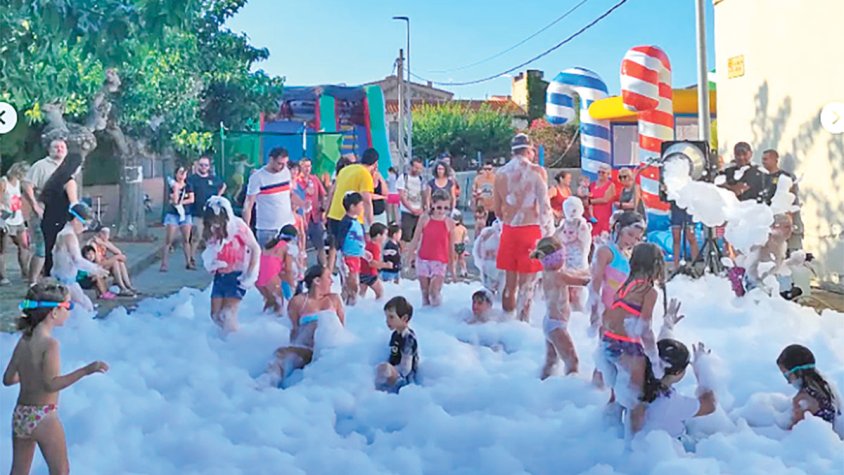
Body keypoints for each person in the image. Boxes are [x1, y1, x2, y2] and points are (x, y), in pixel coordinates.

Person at [2, 281, 109, 475]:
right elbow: (51, 384)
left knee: (18, 471)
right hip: (43, 415)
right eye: (68, 306)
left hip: (21, 415)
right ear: (54, 312)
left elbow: (8, 379)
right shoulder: (51, 344)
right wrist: (86, 370)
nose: (70, 312)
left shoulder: (24, 340)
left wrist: (31, 373)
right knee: (60, 471)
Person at [598, 242, 677, 435]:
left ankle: (605, 433)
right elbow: (644, 329)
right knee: (636, 401)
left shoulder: (626, 285)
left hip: (608, 343)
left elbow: (609, 316)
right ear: (656, 266)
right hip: (627, 348)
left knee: (617, 395)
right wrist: (655, 360)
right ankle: (633, 446)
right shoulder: (649, 292)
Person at [493, 133, 553, 322]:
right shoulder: (537, 171)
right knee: (527, 285)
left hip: (510, 230)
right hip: (531, 230)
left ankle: (505, 321)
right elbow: (545, 207)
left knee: (509, 283)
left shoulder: (500, 174)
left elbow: (497, 210)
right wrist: (549, 235)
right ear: (529, 150)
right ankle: (522, 327)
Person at [265, 264, 345, 387]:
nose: (332, 281)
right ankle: (267, 383)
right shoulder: (298, 302)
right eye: (328, 277)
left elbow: (341, 329)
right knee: (281, 354)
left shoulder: (334, 299)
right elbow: (295, 330)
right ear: (317, 281)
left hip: (329, 351)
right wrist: (292, 349)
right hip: (307, 351)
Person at [530, 237, 591, 378]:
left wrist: (589, 270)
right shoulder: (558, 276)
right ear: (554, 259)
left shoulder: (549, 273)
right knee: (572, 361)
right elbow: (582, 282)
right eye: (562, 256)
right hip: (557, 326)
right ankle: (570, 388)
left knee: (551, 361)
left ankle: (542, 384)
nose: (564, 259)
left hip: (550, 323)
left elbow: (574, 273)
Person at [201, 196, 261, 333]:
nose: (214, 224)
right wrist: (211, 264)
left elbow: (255, 248)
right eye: (211, 221)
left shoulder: (238, 226)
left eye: (217, 221)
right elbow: (210, 251)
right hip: (220, 276)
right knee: (215, 315)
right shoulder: (211, 230)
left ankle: (234, 344)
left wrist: (250, 273)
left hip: (237, 275)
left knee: (228, 314)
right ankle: (224, 342)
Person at [641, 340, 717, 439]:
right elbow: (710, 405)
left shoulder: (637, 385)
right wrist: (702, 369)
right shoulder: (671, 403)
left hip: (648, 444)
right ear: (678, 373)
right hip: (674, 446)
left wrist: (668, 326)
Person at [22, 138, 67, 284]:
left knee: (59, 247)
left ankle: (52, 278)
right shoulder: (41, 166)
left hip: (61, 213)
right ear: (49, 150)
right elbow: (27, 185)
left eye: (62, 147)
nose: (59, 149)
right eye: (56, 147)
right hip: (43, 212)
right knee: (41, 249)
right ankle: (33, 281)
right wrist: (34, 205)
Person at [326, 148, 378, 272]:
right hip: (351, 218)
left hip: (334, 213)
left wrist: (327, 211)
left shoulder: (345, 169)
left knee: (334, 247)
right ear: (375, 163)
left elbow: (332, 192)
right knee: (351, 250)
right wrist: (371, 224)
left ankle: (329, 272)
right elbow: (367, 200)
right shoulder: (365, 174)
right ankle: (350, 276)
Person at [51, 203, 110, 311]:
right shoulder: (69, 236)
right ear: (76, 220)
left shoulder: (63, 233)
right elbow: (77, 260)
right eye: (84, 224)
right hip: (66, 283)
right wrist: (96, 269)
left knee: (84, 306)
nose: (85, 228)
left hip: (64, 279)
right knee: (86, 309)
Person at [38, 149, 81, 279]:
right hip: (61, 220)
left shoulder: (55, 179)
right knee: (61, 251)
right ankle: (60, 279)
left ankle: (48, 277)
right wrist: (78, 220)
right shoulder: (70, 182)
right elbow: (74, 204)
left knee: (49, 250)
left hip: (48, 218)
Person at [243, 147, 297, 247]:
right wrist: (246, 228)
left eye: (285, 163)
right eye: (279, 163)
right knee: (268, 260)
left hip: (287, 225)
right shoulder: (257, 177)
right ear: (271, 160)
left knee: (291, 258)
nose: (282, 167)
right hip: (267, 228)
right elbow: (248, 204)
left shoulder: (286, 172)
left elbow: (289, 195)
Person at [409, 190, 456, 307]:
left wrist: (452, 266)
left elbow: (451, 246)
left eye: (446, 208)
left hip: (440, 261)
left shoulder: (449, 223)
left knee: (434, 292)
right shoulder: (425, 219)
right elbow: (415, 238)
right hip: (423, 259)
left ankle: (438, 314)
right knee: (425, 294)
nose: (442, 211)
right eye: (439, 207)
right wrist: (410, 255)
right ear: (433, 205)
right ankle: (426, 319)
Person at [777, 344, 840, 428]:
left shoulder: (802, 399)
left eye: (787, 375)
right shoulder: (827, 388)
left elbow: (794, 431)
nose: (788, 382)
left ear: (798, 372)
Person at [187, 155, 226, 268]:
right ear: (198, 165)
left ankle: (215, 259)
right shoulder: (192, 179)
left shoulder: (214, 179)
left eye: (206, 165)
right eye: (202, 165)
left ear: (209, 166)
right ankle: (191, 259)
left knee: (214, 237)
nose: (204, 167)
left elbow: (223, 185)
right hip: (197, 213)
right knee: (196, 236)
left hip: (211, 214)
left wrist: (218, 196)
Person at [554, 197, 592, 311]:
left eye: (574, 209)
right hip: (566, 258)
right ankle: (567, 309)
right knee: (565, 288)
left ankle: (578, 310)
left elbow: (585, 240)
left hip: (578, 259)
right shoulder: (564, 222)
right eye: (568, 209)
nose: (571, 212)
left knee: (576, 289)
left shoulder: (582, 224)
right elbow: (555, 236)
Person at [375, 296, 419, 393]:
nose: (387, 321)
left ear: (404, 318)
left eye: (391, 317)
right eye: (386, 317)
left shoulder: (408, 338)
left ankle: (379, 391)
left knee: (384, 368)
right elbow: (393, 355)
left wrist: (391, 371)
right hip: (395, 374)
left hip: (405, 380)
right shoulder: (395, 335)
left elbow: (406, 369)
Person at [761, 149, 803, 251]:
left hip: (783, 218)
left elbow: (792, 197)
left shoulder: (785, 177)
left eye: (766, 159)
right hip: (768, 219)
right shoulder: (762, 177)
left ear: (775, 159)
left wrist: (790, 218)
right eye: (762, 159)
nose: (763, 162)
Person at [256, 225, 298, 315]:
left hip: (258, 279)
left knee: (270, 305)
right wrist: (293, 287)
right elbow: (288, 270)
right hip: (271, 278)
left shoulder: (269, 245)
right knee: (279, 310)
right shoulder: (287, 248)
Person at [160, 164, 195, 272]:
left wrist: (181, 202)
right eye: (180, 173)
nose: (182, 176)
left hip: (185, 214)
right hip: (173, 215)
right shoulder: (172, 186)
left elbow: (191, 199)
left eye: (184, 173)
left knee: (186, 239)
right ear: (176, 174)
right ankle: (164, 264)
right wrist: (176, 189)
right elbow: (174, 201)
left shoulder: (188, 185)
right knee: (168, 240)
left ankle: (188, 262)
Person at [0, 162, 31, 285]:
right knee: (2, 250)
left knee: (24, 246)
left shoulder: (18, 183)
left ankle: (25, 272)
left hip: (18, 219)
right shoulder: (3, 182)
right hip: (6, 220)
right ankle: (2, 276)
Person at [336, 192, 367, 306]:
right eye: (361, 205)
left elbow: (359, 240)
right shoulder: (346, 222)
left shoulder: (357, 222)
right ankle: (347, 305)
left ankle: (350, 306)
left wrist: (363, 252)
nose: (362, 207)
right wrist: (340, 255)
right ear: (352, 207)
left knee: (353, 283)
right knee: (350, 283)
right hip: (347, 257)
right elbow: (340, 239)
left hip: (356, 256)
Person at [87, 227, 136, 296]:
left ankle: (128, 285)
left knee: (120, 263)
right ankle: (122, 287)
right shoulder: (93, 244)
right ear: (99, 234)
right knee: (115, 262)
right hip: (95, 268)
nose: (107, 236)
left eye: (107, 234)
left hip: (104, 265)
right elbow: (98, 263)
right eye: (104, 234)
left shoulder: (104, 242)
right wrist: (115, 258)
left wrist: (104, 244)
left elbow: (118, 252)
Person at [296, 157, 327, 266]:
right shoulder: (296, 181)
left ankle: (324, 268)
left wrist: (324, 210)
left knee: (320, 245)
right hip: (301, 218)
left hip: (315, 217)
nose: (307, 169)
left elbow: (323, 195)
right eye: (305, 166)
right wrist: (305, 191)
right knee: (301, 247)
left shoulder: (315, 179)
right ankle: (302, 270)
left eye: (309, 166)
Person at [397, 158, 425, 274]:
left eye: (420, 168)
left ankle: (414, 259)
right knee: (405, 237)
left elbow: (424, 194)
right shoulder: (403, 178)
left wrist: (422, 208)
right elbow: (402, 196)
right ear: (411, 167)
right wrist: (411, 208)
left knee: (417, 237)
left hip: (419, 210)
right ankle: (403, 258)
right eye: (416, 167)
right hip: (407, 211)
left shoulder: (421, 179)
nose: (417, 170)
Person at [360, 223, 393, 300]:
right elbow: (372, 263)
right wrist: (386, 265)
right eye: (385, 235)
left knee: (361, 295)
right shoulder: (375, 247)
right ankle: (377, 307)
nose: (386, 237)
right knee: (380, 293)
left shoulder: (368, 244)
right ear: (378, 236)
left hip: (362, 272)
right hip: (370, 274)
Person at [669, 200, 699, 272]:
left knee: (691, 237)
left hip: (689, 207)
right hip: (676, 207)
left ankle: (695, 265)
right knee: (676, 237)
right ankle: (676, 265)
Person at [589, 164, 617, 238]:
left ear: (608, 174)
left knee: (603, 236)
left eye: (603, 172)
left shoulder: (611, 185)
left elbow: (605, 199)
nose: (600, 174)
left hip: (605, 215)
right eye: (599, 172)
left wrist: (590, 201)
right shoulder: (592, 184)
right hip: (593, 214)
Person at [472, 161, 497, 226]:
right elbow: (473, 193)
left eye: (489, 169)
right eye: (485, 169)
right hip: (482, 208)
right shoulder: (478, 179)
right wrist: (474, 208)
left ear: (493, 169)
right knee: (481, 228)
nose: (487, 171)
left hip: (493, 208)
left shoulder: (496, 178)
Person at [452, 210, 470, 278]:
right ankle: (464, 270)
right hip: (461, 245)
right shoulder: (463, 228)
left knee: (455, 260)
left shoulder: (452, 228)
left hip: (455, 245)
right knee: (461, 259)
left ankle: (454, 272)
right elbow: (465, 238)